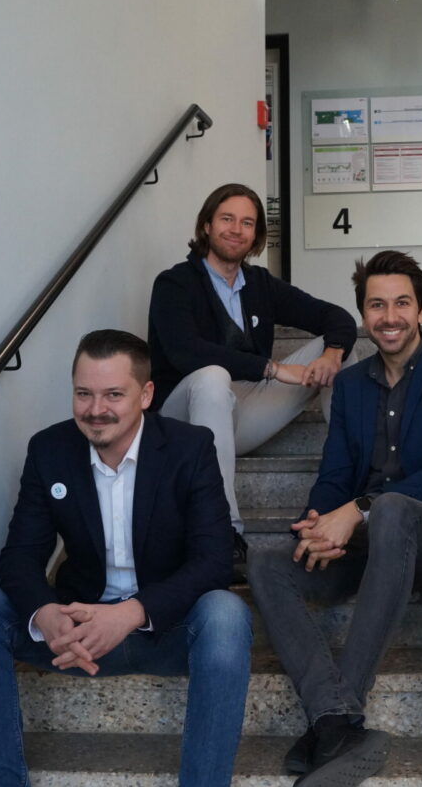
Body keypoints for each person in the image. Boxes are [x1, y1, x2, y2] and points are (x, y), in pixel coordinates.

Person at [0, 330, 251, 787]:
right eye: (83, 394)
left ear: (147, 393)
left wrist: (132, 613)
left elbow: (214, 560)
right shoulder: (50, 449)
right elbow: (19, 558)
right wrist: (47, 614)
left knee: (227, 616)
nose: (96, 409)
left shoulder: (189, 447)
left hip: (162, 630)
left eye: (112, 394)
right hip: (77, 633)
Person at [247, 251, 422, 787]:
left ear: (421, 309)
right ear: (363, 313)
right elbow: (334, 472)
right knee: (265, 563)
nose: (389, 316)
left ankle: (344, 708)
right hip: (364, 543)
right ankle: (334, 718)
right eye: (376, 304)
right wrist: (316, 524)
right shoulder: (352, 385)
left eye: (401, 302)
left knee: (396, 509)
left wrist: (358, 508)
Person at [148, 183, 358, 569]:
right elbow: (185, 352)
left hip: (242, 414)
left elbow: (338, 317)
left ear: (257, 234)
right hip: (183, 419)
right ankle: (223, 530)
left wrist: (331, 353)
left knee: (345, 353)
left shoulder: (259, 284)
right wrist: (272, 368)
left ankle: (341, 498)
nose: (236, 229)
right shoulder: (174, 284)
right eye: (227, 219)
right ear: (207, 225)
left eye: (247, 222)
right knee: (211, 376)